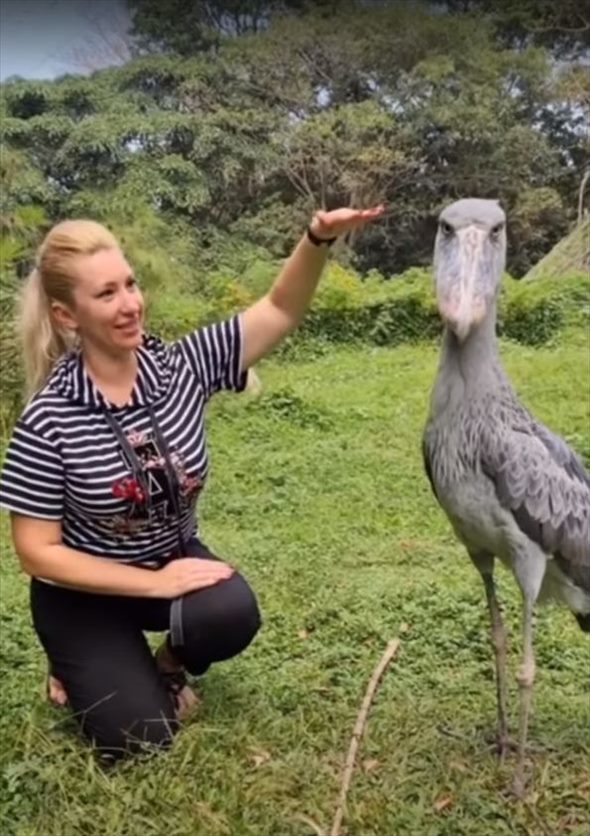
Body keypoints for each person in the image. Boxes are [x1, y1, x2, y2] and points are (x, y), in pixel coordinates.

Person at [0, 205, 385, 762]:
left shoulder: (180, 368)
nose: (130, 304)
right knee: (140, 739)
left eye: (129, 284)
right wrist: (156, 586)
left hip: (169, 560)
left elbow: (278, 309)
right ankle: (75, 657)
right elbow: (36, 553)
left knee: (229, 610)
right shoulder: (48, 420)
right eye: (106, 295)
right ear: (67, 315)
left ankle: (167, 666)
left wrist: (317, 238)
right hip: (82, 594)